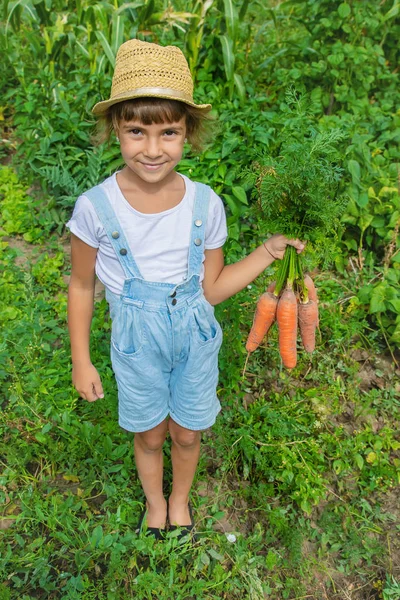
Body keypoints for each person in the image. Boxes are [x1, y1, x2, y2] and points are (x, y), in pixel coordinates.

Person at [67, 38, 304, 539]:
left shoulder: (205, 204)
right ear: (116, 130)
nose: (152, 149)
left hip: (194, 333)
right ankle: (154, 503)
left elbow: (211, 290)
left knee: (188, 430)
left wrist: (266, 253)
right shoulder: (95, 208)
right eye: (136, 131)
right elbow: (83, 285)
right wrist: (81, 358)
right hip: (135, 337)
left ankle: (180, 500)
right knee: (150, 433)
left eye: (168, 133)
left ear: (187, 133)